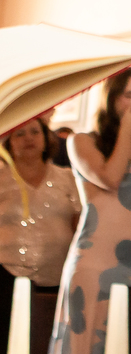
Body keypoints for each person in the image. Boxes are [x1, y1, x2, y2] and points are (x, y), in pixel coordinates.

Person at [50, 68, 131, 354]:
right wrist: (126, 131)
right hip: (95, 260)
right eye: (129, 95)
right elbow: (111, 179)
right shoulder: (82, 141)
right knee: (86, 343)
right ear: (111, 99)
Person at [0, 118, 80, 345]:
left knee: (47, 340)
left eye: (35, 132)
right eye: (20, 134)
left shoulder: (67, 177)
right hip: (5, 274)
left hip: (57, 276)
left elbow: (80, 225)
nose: (28, 138)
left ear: (46, 138)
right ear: (9, 142)